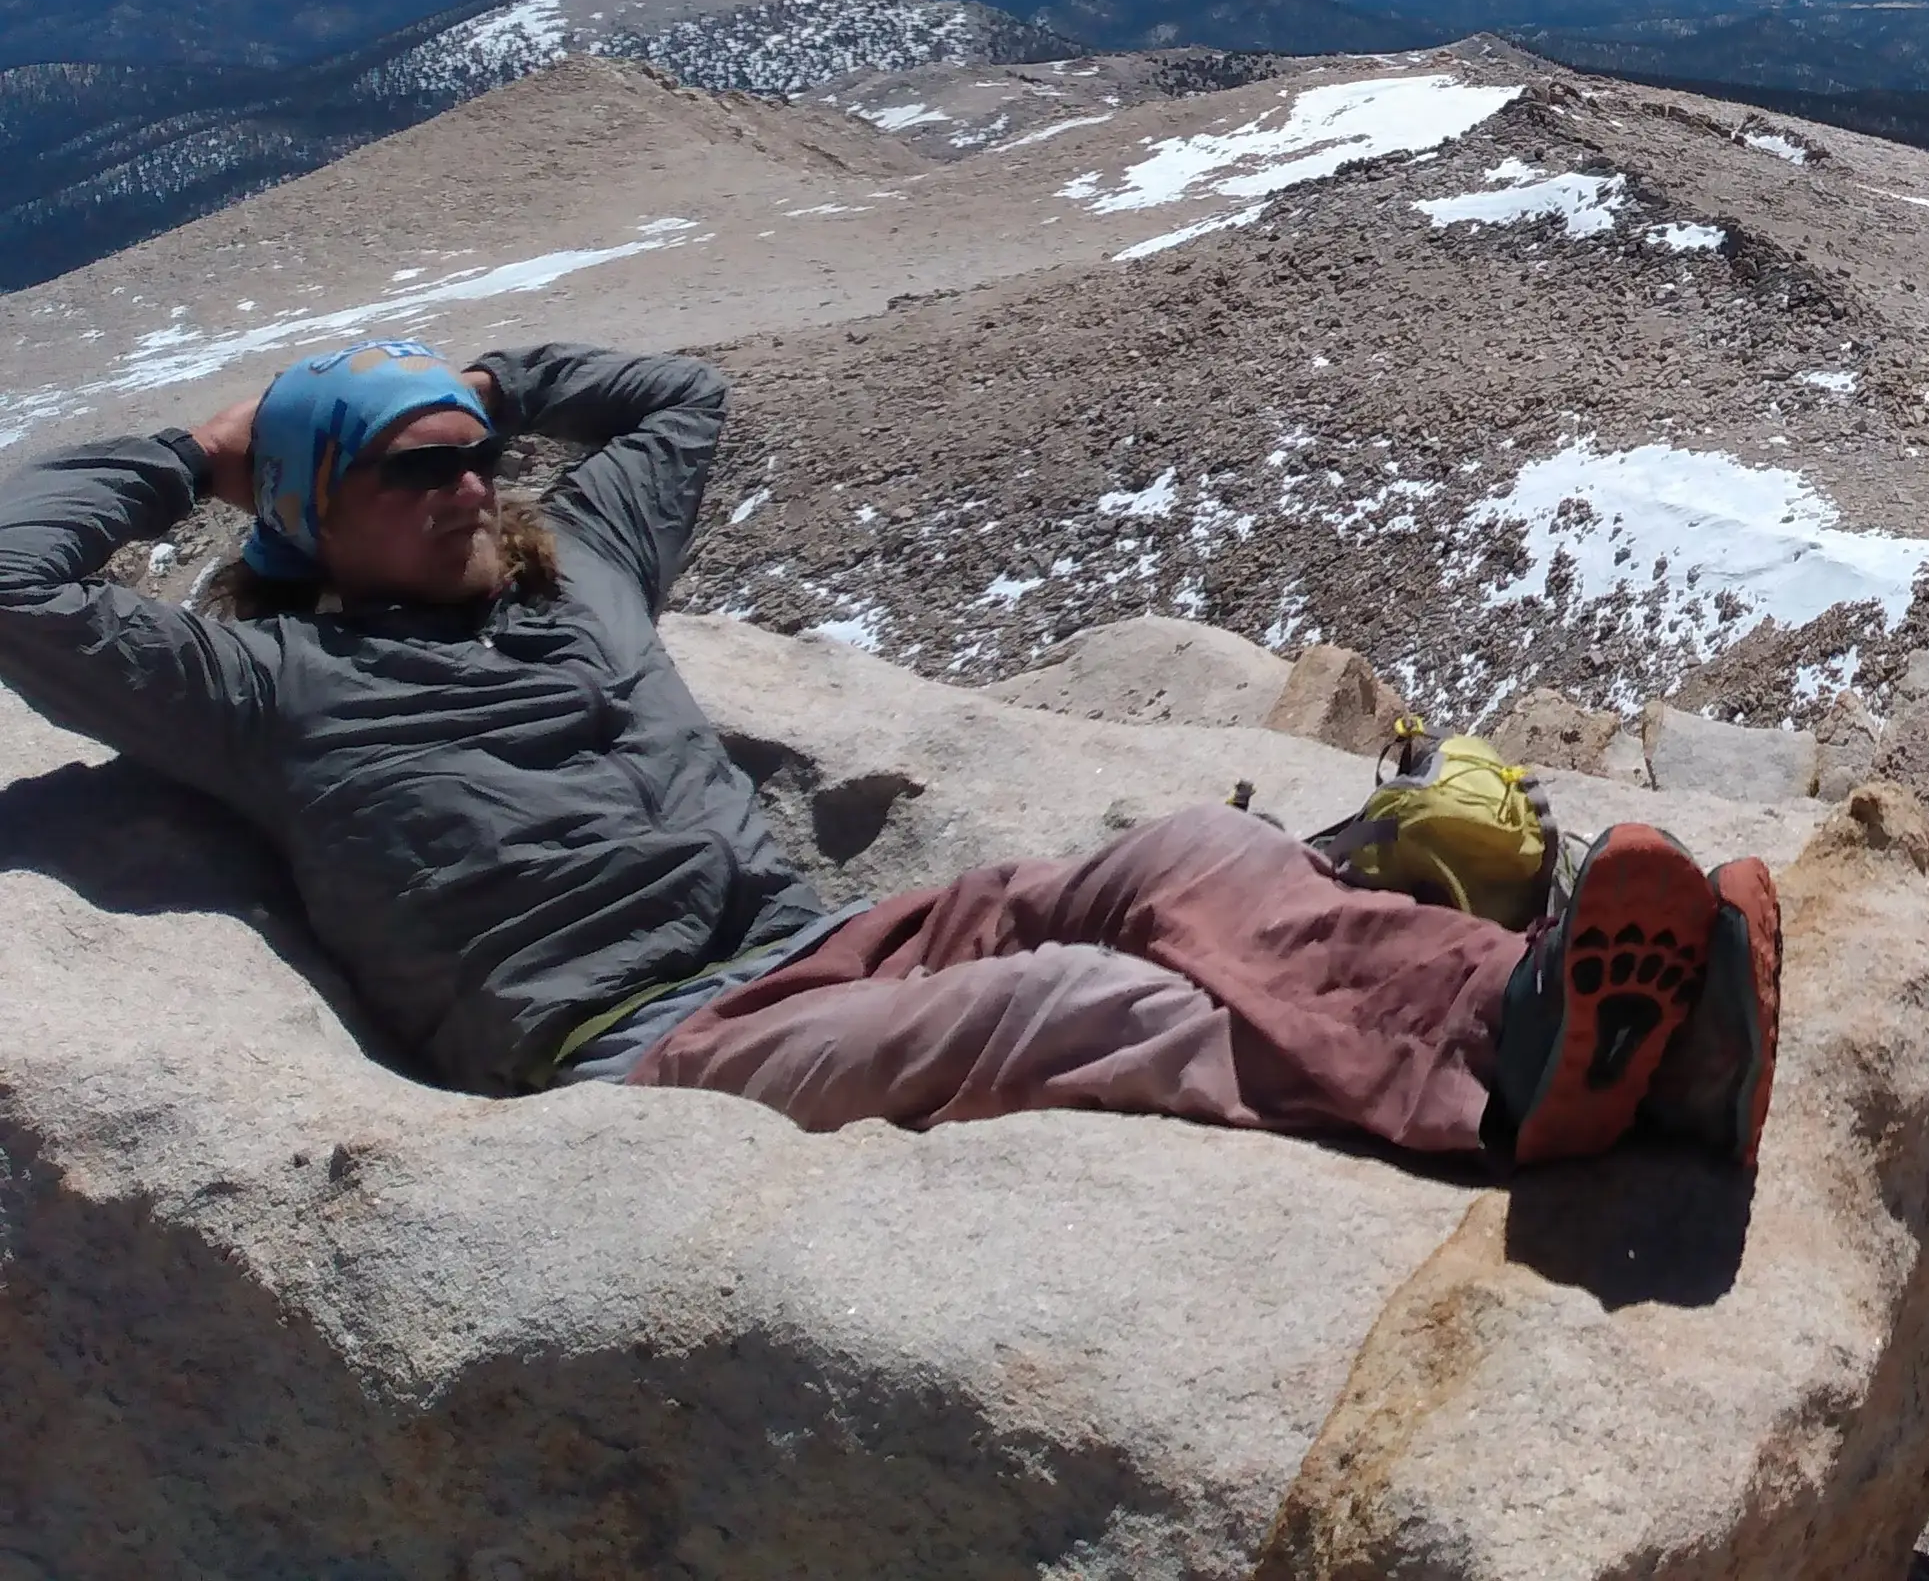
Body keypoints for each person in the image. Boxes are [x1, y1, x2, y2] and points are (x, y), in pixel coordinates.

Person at [0, 336, 1776, 1168]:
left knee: (1191, 858)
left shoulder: (582, 572)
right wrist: (196, 449)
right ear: (312, 513)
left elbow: (678, 398)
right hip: (646, 1049)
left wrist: (471, 377)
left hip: (819, 943)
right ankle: (1507, 1091)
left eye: (477, 452)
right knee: (1095, 1003)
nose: (473, 481)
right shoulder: (264, 685)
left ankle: (1574, 1015)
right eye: (414, 465)